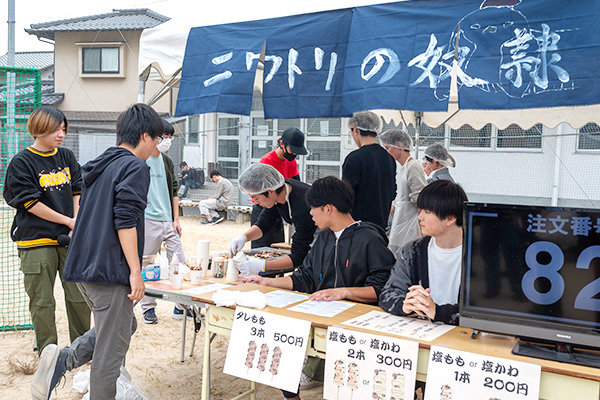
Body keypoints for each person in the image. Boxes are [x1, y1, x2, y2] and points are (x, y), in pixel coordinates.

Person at [30, 103, 163, 400]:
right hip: (108, 271)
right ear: (144, 136)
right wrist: (135, 271)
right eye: (156, 140)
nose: (156, 146)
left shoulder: (101, 162)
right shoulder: (135, 167)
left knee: (123, 325)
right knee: (109, 356)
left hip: (84, 269)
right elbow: (125, 221)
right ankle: (72, 369)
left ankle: (63, 360)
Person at [244, 176, 395, 399]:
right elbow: (304, 278)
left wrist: (344, 292)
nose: (310, 214)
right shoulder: (323, 239)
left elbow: (384, 290)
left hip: (354, 327)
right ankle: (291, 396)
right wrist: (268, 281)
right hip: (321, 317)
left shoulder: (369, 239)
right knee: (277, 336)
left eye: (313, 208)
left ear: (328, 208)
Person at [3, 106, 90, 356]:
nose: (61, 134)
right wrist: (68, 221)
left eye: (63, 129)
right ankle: (47, 351)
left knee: (79, 297)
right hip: (35, 241)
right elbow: (30, 204)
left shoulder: (66, 156)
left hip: (69, 238)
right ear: (40, 128)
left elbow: (77, 189)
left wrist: (75, 221)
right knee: (42, 301)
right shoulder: (22, 162)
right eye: (55, 129)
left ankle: (81, 350)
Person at [378, 180, 468, 325]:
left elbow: (486, 311)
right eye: (420, 211)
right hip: (421, 333)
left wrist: (437, 312)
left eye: (427, 212)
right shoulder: (412, 251)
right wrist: (405, 305)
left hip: (462, 339)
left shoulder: (478, 256)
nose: (419, 217)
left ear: (450, 218)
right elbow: (387, 294)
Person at [139, 119, 188, 324]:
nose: (166, 140)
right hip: (148, 219)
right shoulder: (140, 159)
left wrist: (176, 218)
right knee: (147, 262)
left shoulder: (167, 161)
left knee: (180, 261)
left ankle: (181, 306)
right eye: (163, 136)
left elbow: (174, 191)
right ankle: (148, 307)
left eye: (169, 137)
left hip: (168, 219)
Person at [229, 163, 317, 276]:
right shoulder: (277, 195)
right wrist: (244, 237)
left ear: (270, 191)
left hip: (322, 241)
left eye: (256, 198)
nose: (256, 203)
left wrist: (262, 265)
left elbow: (299, 255)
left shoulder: (302, 204)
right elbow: (264, 223)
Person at [251, 127, 307, 248]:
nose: (294, 154)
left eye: (297, 151)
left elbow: (296, 183)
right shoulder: (267, 162)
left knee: (276, 246)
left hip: (280, 205)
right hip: (265, 204)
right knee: (262, 246)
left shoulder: (291, 161)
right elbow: (261, 193)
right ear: (281, 144)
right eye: (292, 150)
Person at [342, 111, 396, 230]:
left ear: (355, 129)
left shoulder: (354, 159)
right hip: (380, 228)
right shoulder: (389, 158)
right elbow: (392, 192)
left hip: (357, 228)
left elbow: (346, 197)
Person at [380, 129, 428, 253]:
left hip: (411, 227)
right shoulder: (402, 169)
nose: (386, 152)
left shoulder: (413, 166)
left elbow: (422, 198)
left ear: (399, 145)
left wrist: (423, 228)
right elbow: (398, 201)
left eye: (388, 148)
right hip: (400, 223)